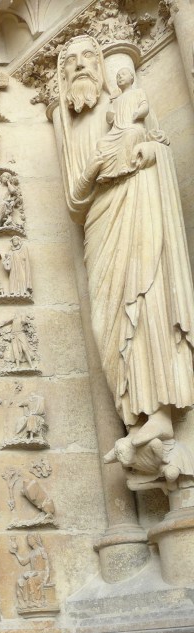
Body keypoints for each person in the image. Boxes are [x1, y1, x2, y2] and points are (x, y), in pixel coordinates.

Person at [57, 35, 194, 449]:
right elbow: (74, 198)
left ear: (102, 66)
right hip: (101, 224)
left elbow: (160, 147)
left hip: (140, 212)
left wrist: (145, 153)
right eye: (71, 60)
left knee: (148, 297)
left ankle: (159, 413)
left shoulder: (128, 104)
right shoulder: (68, 124)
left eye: (88, 56)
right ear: (61, 75)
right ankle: (134, 413)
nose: (81, 65)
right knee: (108, 319)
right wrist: (100, 161)